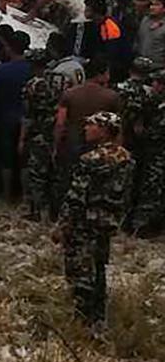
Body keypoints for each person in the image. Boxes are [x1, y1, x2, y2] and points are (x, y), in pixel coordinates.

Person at [59, 112, 134, 328]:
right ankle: (99, 319)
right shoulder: (126, 159)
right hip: (107, 223)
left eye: (90, 125)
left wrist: (63, 226)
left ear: (103, 130)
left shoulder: (90, 160)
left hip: (84, 223)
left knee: (80, 271)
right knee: (99, 269)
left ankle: (82, 321)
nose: (86, 129)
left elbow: (76, 197)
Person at [55, 57, 121, 182]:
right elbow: (117, 125)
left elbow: (60, 123)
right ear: (101, 74)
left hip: (73, 142)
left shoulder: (69, 94)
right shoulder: (112, 97)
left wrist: (56, 145)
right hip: (100, 147)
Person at [0, 31, 32, 198]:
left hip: (5, 116)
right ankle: (24, 195)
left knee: (6, 157)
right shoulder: (32, 69)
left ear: (9, 48)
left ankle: (6, 194)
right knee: (25, 159)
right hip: (27, 118)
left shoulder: (0, 71)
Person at [19, 48, 58, 221]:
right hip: (55, 130)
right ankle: (51, 210)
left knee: (36, 173)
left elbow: (27, 115)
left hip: (37, 132)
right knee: (52, 171)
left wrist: (21, 138)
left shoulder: (32, 85)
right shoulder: (57, 80)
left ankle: (35, 211)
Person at [130, 70, 165, 236]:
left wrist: (142, 132)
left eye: (157, 83)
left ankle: (144, 226)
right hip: (152, 153)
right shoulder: (154, 102)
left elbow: (153, 132)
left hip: (156, 154)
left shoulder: (158, 105)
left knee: (151, 189)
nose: (153, 86)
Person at [67, 0, 128, 80]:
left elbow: (112, 52)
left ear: (96, 12)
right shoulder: (95, 25)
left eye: (87, 10)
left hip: (114, 68)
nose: (84, 12)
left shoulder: (110, 27)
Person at [136, 0, 165, 67]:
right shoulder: (145, 20)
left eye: (156, 5)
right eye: (151, 5)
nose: (152, 7)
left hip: (159, 67)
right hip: (141, 64)